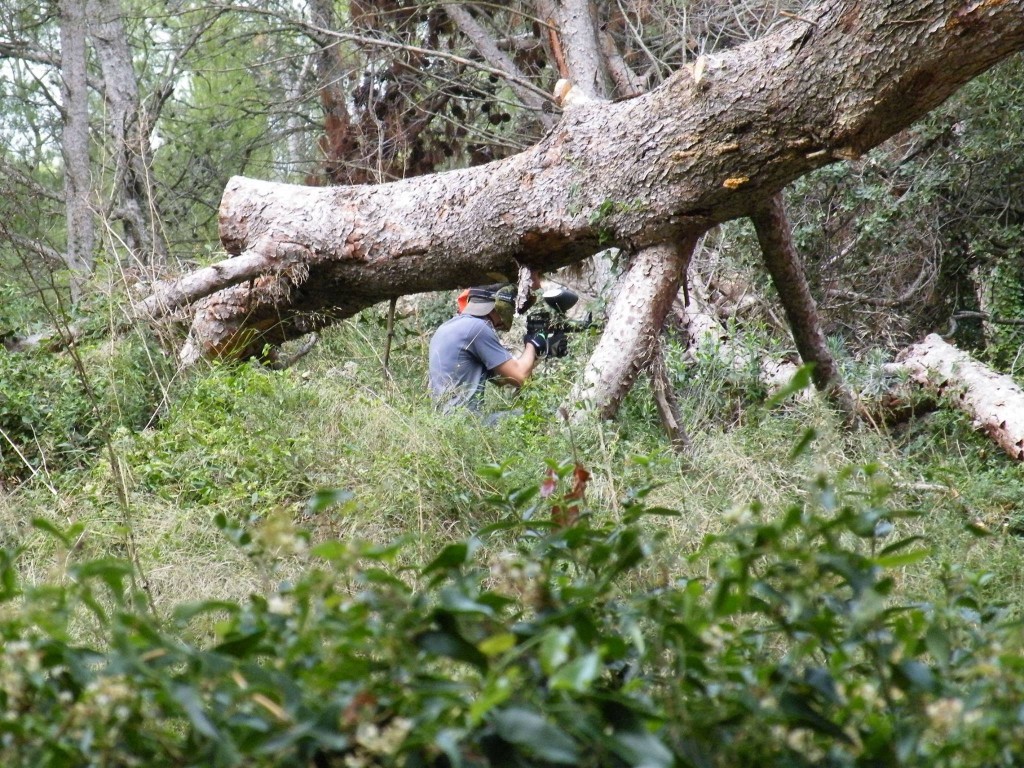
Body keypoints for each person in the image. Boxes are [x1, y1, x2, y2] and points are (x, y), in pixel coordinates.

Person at [428, 283, 565, 416]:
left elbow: (505, 380)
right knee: (544, 415)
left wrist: (539, 351)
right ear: (499, 304)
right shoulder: (477, 329)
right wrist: (534, 342)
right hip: (468, 426)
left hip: (448, 424)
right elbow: (520, 377)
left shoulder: (449, 327)